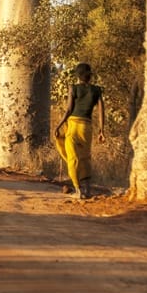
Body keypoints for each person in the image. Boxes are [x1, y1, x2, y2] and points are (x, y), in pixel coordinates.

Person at [54, 63, 105, 199]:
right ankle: (88, 190)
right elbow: (101, 111)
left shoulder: (73, 88)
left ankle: (78, 190)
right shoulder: (97, 90)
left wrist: (59, 125)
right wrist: (101, 130)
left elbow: (69, 110)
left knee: (73, 159)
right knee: (85, 158)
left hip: (73, 126)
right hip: (86, 128)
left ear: (78, 75)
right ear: (89, 76)